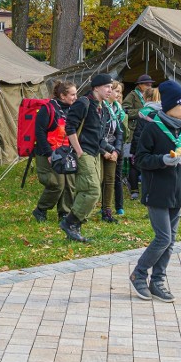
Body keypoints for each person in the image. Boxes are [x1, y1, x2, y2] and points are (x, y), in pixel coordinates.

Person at [130, 80, 181, 303]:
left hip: (177, 193)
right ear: (168, 106)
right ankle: (139, 273)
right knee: (163, 238)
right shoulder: (152, 128)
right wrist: (163, 160)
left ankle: (158, 282)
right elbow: (139, 159)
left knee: (171, 240)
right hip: (157, 192)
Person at [59, 73, 115, 243]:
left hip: (95, 152)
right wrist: (79, 151)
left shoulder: (103, 107)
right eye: (107, 87)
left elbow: (97, 136)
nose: (110, 90)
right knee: (92, 190)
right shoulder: (84, 102)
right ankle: (70, 222)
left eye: (111, 87)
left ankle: (76, 226)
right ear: (96, 87)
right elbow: (70, 127)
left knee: (86, 190)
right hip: (83, 153)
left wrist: (110, 148)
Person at [31, 80, 78, 223]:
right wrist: (49, 154)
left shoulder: (72, 109)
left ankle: (64, 212)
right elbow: (39, 133)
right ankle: (41, 209)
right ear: (63, 96)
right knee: (56, 184)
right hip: (48, 152)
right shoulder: (48, 109)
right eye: (72, 94)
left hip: (67, 152)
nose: (75, 97)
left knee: (69, 184)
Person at [123, 74, 153, 199]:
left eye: (150, 84)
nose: (149, 86)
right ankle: (134, 189)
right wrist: (140, 113)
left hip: (143, 130)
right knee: (133, 161)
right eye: (147, 84)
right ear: (139, 85)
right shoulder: (132, 95)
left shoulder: (147, 95)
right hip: (134, 131)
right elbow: (125, 110)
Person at [100, 81, 126, 221]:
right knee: (98, 180)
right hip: (100, 146)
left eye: (119, 92)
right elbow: (97, 133)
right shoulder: (102, 107)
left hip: (113, 147)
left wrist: (116, 150)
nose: (117, 94)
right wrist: (108, 149)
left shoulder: (118, 109)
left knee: (110, 179)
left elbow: (120, 132)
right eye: (116, 91)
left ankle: (107, 210)